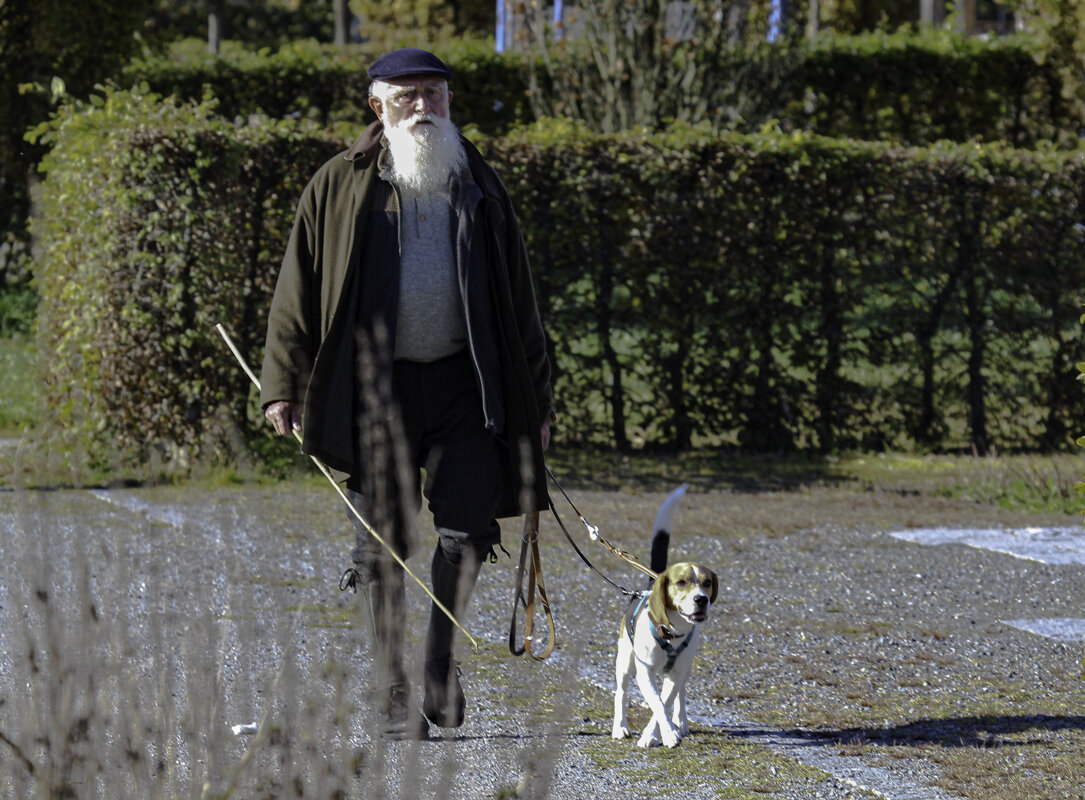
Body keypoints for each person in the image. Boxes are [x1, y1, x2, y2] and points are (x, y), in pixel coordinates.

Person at [259, 47, 554, 740]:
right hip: (373, 389)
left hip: (464, 383)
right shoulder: (337, 183)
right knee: (378, 548)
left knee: (469, 535)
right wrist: (282, 385)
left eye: (435, 94)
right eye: (408, 96)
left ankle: (437, 669)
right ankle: (392, 690)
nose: (423, 107)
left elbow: (520, 303)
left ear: (449, 101)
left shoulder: (479, 182)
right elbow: (295, 289)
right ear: (377, 106)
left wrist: (536, 402)